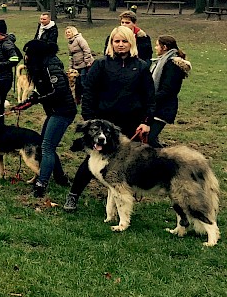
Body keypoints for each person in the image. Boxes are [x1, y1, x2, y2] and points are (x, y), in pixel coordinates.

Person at [64, 26, 155, 212]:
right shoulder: (101, 65)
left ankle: (120, 200)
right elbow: (89, 93)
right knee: (93, 160)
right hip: (103, 122)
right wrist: (90, 120)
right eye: (117, 41)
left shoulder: (141, 67)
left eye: (124, 41)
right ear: (111, 43)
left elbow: (149, 97)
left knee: (124, 162)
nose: (120, 45)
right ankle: (73, 195)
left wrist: (146, 122)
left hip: (130, 122)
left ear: (131, 43)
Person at [19, 39, 75, 198]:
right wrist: (33, 98)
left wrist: (38, 99)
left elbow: (59, 91)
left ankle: (41, 184)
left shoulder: (51, 66)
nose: (26, 57)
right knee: (46, 143)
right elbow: (44, 89)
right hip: (54, 110)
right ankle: (61, 177)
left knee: (47, 147)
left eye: (28, 54)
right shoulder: (41, 66)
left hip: (63, 111)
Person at [148, 35, 190, 148]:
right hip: (156, 107)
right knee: (149, 139)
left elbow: (168, 90)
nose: (155, 48)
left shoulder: (172, 66)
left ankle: (168, 156)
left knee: (149, 139)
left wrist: (150, 99)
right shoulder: (161, 62)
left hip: (163, 108)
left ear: (165, 47)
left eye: (157, 45)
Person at [65, 25, 94, 103]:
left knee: (83, 82)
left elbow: (86, 50)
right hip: (76, 65)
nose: (67, 34)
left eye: (69, 32)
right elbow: (70, 56)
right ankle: (77, 99)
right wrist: (70, 67)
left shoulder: (79, 39)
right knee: (77, 84)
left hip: (84, 64)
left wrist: (87, 61)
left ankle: (87, 98)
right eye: (66, 32)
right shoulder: (69, 43)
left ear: (73, 32)